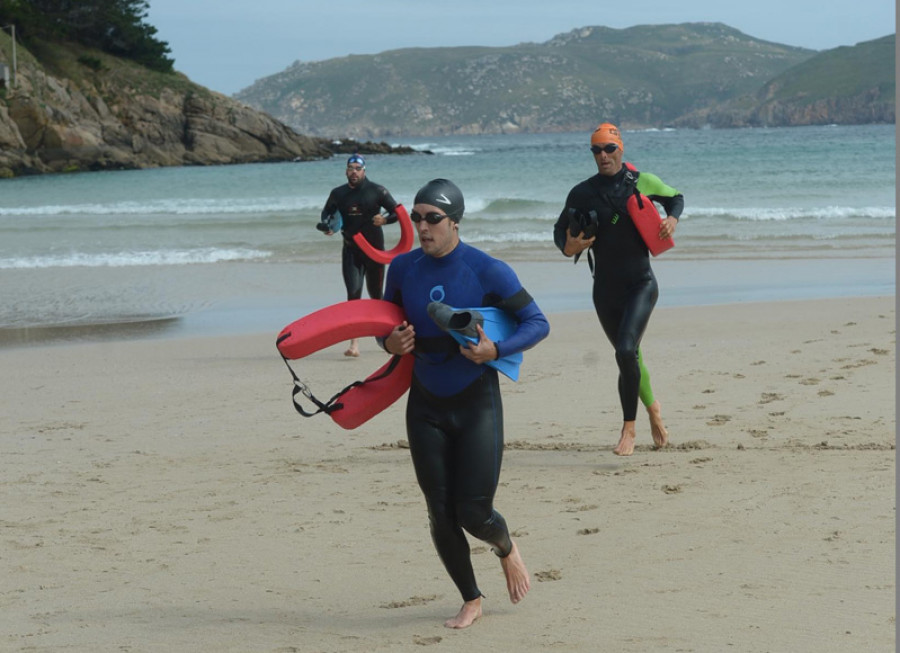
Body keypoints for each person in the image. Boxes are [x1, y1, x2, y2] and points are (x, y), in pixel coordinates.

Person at [382, 179, 550, 629]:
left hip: (476, 401)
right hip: (425, 402)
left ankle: (506, 547)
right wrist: (390, 343)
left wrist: (495, 351)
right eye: (416, 217)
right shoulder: (401, 270)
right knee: (439, 510)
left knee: (473, 512)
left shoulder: (486, 270)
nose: (422, 227)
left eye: (432, 218)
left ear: (454, 221)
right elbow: (385, 325)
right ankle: (471, 597)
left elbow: (537, 323)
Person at [553, 123, 683, 456]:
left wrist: (672, 220)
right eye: (596, 150)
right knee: (631, 356)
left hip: (642, 284)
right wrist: (569, 245)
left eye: (609, 149)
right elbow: (559, 234)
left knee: (625, 351)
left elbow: (676, 198)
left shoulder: (641, 182)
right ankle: (654, 410)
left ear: (620, 149)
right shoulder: (582, 192)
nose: (603, 156)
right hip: (605, 291)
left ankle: (629, 429)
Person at [318, 153, 400, 357]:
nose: (353, 172)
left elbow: (397, 212)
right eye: (350, 168)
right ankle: (354, 345)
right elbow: (327, 213)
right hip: (351, 250)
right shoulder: (338, 193)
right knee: (353, 295)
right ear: (346, 171)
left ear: (364, 171)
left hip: (374, 251)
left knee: (376, 295)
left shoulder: (377, 191)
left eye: (357, 168)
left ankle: (386, 336)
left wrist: (385, 221)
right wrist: (329, 226)